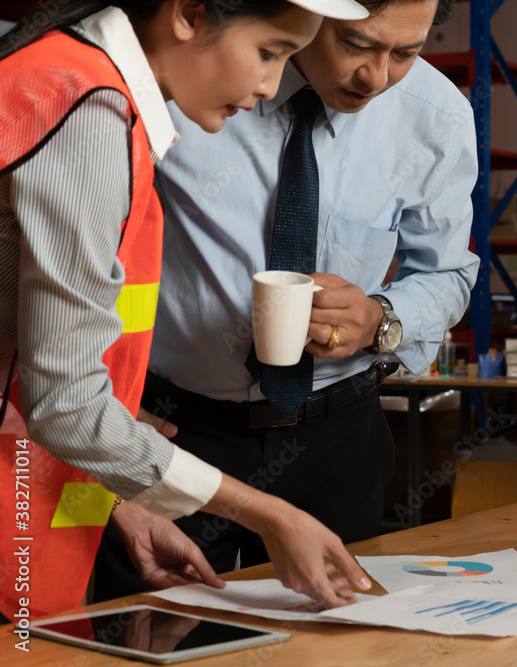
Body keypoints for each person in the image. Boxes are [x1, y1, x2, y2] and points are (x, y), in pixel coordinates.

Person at [0, 0, 376, 621]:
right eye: (269, 52)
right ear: (189, 14)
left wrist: (127, 502)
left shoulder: (78, 83)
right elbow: (65, 403)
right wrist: (267, 513)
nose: (269, 86)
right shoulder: (88, 111)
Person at [93, 0, 478, 600]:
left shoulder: (435, 117)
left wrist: (381, 317)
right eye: (357, 44)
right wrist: (104, 405)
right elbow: (90, 260)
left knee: (333, 642)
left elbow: (448, 273)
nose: (376, 78)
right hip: (178, 430)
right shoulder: (193, 78)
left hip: (339, 437)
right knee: (156, 632)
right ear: (310, 14)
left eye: (405, 52)